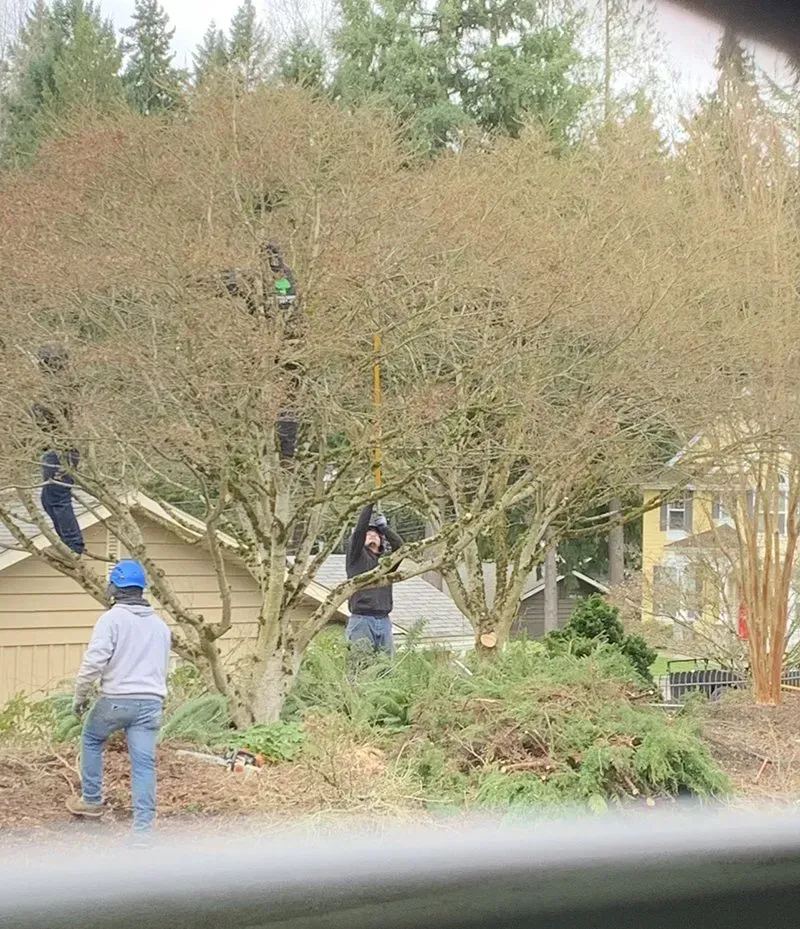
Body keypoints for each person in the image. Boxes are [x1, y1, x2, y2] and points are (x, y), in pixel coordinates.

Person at [66, 560, 171, 841]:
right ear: (141, 589)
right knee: (144, 764)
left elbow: (94, 663)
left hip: (116, 700)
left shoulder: (112, 619)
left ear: (114, 588)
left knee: (91, 738)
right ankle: (143, 832)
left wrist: (80, 696)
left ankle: (91, 800)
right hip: (151, 704)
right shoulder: (161, 626)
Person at [32, 343, 85, 555]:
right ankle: (65, 543)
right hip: (53, 447)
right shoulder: (56, 385)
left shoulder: (60, 386)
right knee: (47, 499)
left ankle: (73, 545)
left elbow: (46, 415)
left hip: (63, 448)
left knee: (58, 497)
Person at [345, 503, 404, 664]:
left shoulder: (385, 565)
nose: (372, 535)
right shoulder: (356, 558)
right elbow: (358, 532)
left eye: (375, 534)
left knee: (386, 668)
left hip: (384, 621)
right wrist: (369, 503)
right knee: (360, 666)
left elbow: (401, 548)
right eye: (368, 533)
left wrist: (385, 529)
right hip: (361, 620)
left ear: (381, 541)